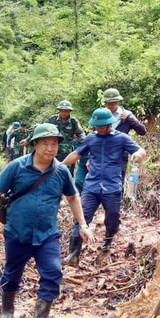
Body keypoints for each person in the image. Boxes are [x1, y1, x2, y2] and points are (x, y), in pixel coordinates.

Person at [0, 123, 94, 318]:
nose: (50, 148)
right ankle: (7, 310)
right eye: (45, 143)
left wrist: (83, 224)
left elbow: (73, 197)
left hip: (47, 235)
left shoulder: (61, 171)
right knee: (11, 273)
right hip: (17, 232)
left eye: (54, 144)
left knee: (53, 273)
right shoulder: (17, 167)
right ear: (35, 144)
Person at [61, 108, 146, 267]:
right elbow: (76, 154)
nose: (99, 128)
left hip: (112, 187)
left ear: (109, 124)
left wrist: (139, 155)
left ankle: (107, 242)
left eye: (102, 125)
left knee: (112, 219)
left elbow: (140, 150)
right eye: (96, 126)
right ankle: (73, 255)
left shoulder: (121, 138)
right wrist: (58, 166)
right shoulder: (91, 138)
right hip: (91, 186)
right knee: (82, 218)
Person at [102, 88, 147, 182]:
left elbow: (142, 131)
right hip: (102, 152)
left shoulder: (126, 115)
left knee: (118, 182)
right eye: (109, 103)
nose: (111, 105)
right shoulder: (101, 114)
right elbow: (94, 133)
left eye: (114, 102)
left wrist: (130, 118)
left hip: (120, 154)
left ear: (118, 101)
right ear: (105, 103)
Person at [46, 100, 85, 174]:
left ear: (69, 111)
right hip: (53, 152)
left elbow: (81, 134)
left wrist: (85, 143)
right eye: (62, 111)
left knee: (66, 174)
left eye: (66, 111)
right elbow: (41, 130)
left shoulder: (73, 122)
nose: (64, 113)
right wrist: (27, 139)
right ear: (59, 111)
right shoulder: (52, 120)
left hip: (67, 154)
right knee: (51, 174)